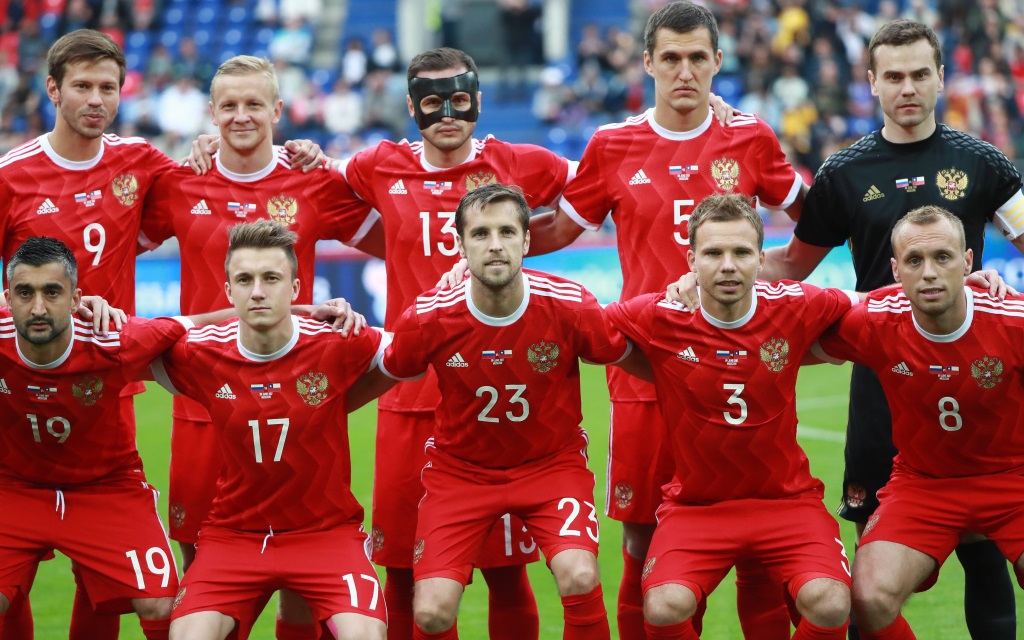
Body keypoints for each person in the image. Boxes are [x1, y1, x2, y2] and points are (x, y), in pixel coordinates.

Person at [0, 29, 320, 640]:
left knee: (105, 561)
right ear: (51, 90)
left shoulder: (142, 163)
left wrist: (281, 150)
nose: (96, 99)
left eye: (108, 88)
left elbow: (215, 181)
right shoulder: (12, 175)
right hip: (22, 384)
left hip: (109, 379)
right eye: (82, 87)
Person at [526, 3, 806, 637]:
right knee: (642, 539)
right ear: (648, 62)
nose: (685, 71)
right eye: (671, 59)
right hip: (647, 371)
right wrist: (483, 249)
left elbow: (815, 222)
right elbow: (561, 231)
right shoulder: (611, 144)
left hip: (740, 366)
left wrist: (777, 277)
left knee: (758, 538)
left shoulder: (750, 138)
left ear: (717, 62)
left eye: (697, 58)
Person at [757, 19, 1023, 639]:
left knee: (985, 549)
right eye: (894, 76)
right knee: (871, 560)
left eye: (920, 74)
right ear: (871, 83)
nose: (908, 87)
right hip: (883, 370)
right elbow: (792, 267)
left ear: (939, 78)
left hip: (974, 363)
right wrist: (706, 270)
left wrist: (996, 288)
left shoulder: (981, 161)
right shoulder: (844, 171)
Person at [334, 47, 575, 640]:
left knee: (505, 571)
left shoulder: (521, 162)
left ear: (479, 103)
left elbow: (601, 181)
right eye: (432, 103)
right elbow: (311, 183)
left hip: (494, 392)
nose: (448, 115)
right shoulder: (378, 166)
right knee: (398, 566)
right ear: (412, 106)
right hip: (407, 391)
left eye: (460, 101)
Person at [140, 55, 381, 640]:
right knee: (202, 565)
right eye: (229, 105)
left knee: (302, 578)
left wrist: (338, 162)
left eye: (254, 104)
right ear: (212, 113)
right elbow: (108, 245)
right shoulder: (178, 183)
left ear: (278, 110)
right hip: (200, 397)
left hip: (298, 398)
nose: (241, 116)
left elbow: (398, 234)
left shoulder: (314, 182)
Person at [349, 183, 650, 640]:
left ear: (526, 241)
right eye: (481, 233)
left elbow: (624, 349)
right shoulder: (430, 318)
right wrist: (329, 405)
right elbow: (386, 369)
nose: (495, 245)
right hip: (461, 473)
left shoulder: (570, 306)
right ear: (460, 244)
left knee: (580, 575)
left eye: (508, 232)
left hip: (551, 466)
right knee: (431, 612)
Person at [606, 194, 855, 640]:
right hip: (698, 506)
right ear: (691, 260)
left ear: (761, 259)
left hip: (786, 501)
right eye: (713, 253)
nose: (727, 265)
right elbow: (578, 324)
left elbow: (880, 305)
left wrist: (963, 283)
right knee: (664, 606)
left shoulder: (795, 305)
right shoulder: (658, 315)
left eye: (741, 252)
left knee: (832, 602)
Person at [152, 219, 387, 640]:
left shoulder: (338, 341)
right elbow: (125, 347)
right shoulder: (201, 354)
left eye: (271, 278)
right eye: (244, 279)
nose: (257, 291)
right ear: (228, 291)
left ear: (296, 289)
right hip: (234, 536)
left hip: (326, 534)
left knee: (365, 636)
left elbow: (411, 352)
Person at [0, 236, 233, 640]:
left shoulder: (114, 339)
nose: (38, 308)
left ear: (76, 300)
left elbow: (204, 322)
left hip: (105, 488)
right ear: (8, 297)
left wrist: (303, 313)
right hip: (15, 488)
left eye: (52, 292)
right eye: (25, 293)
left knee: (163, 605)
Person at [812, 206, 1024, 640]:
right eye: (914, 261)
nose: (928, 272)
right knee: (869, 597)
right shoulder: (876, 320)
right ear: (895, 270)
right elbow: (777, 326)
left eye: (942, 257)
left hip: (1013, 478)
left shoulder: (1013, 319)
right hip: (924, 483)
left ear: (968, 263)